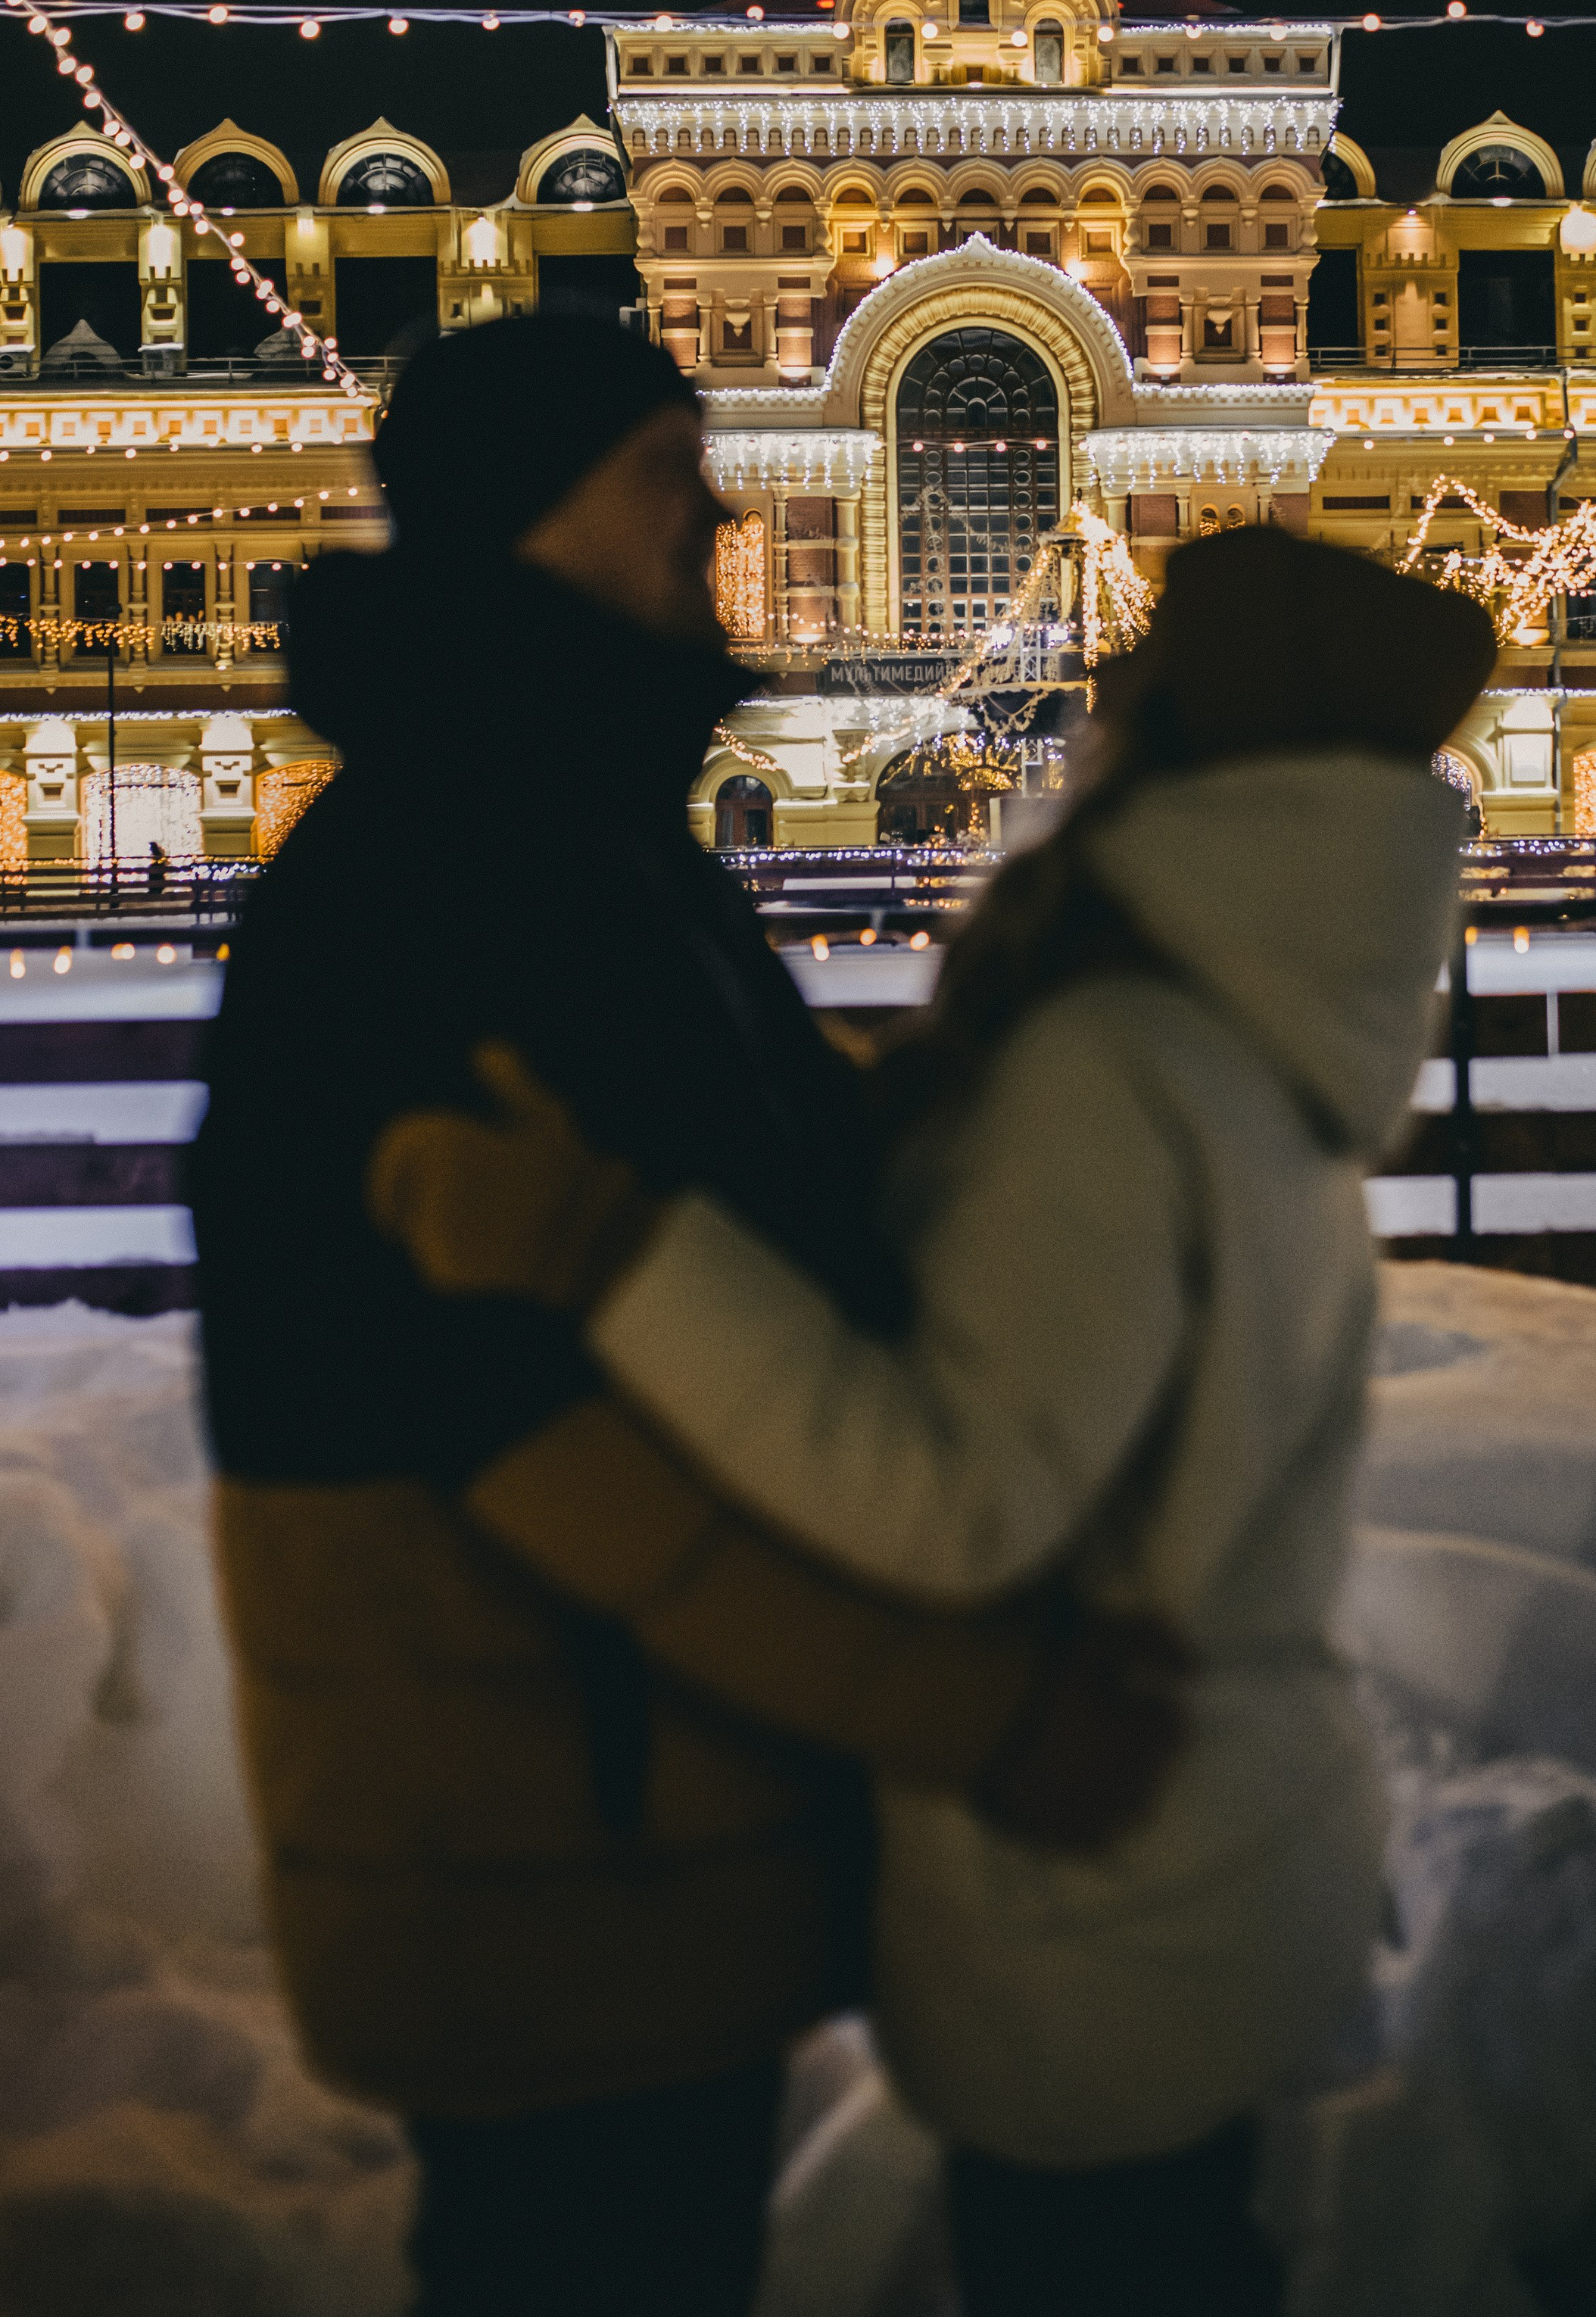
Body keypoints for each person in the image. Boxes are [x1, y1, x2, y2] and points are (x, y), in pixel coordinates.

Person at [366, 522, 1498, 2317]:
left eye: (1138, 680)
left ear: (1194, 739)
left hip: (1091, 1880)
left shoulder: (1114, 1063)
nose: (1096, 699)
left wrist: (608, 1250)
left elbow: (951, 1492)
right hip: (1200, 1838)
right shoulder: (1240, 1043)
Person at [189, 315, 1183, 2317]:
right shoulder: (456, 862)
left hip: (621, 1807)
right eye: (668, 466)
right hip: (546, 1805)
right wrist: (977, 1713)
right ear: (530, 512)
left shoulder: (582, 827)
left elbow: (770, 1167)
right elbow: (517, 1420)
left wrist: (1023, 1055)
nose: (721, 505)